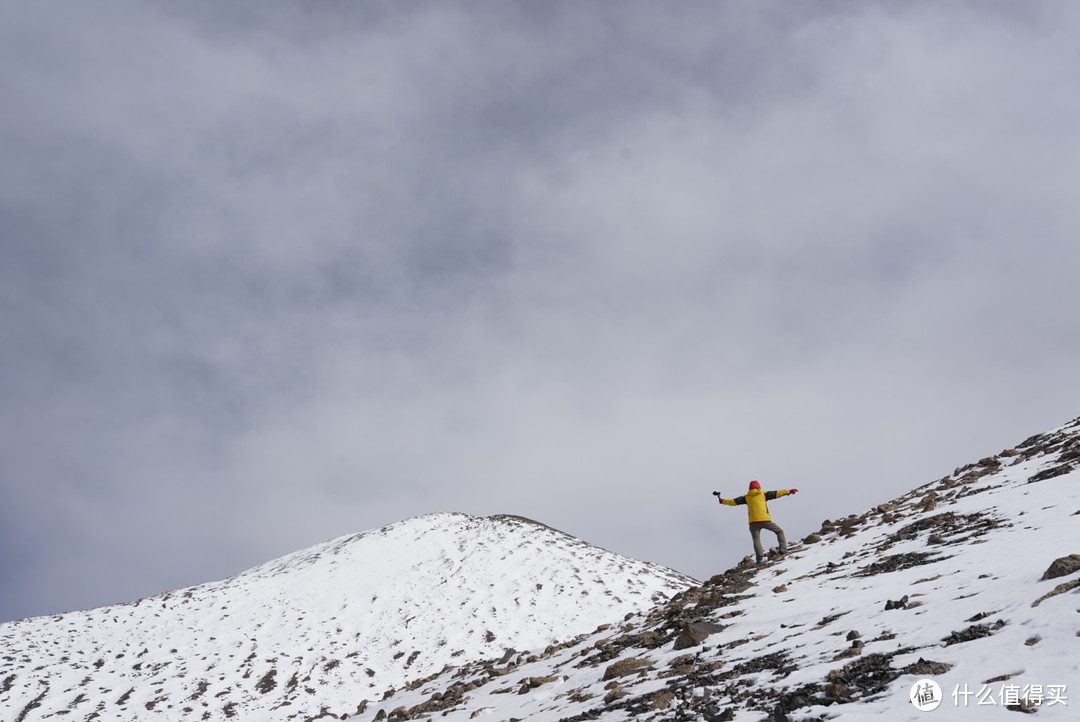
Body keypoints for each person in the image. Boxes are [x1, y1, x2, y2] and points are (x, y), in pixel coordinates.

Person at [714, 481, 799, 564]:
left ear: (749, 488)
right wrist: (789, 491)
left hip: (753, 522)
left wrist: (722, 501)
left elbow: (733, 502)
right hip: (765, 520)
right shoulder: (764, 494)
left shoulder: (746, 497)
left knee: (756, 540)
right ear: (759, 487)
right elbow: (778, 493)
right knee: (779, 531)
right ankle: (783, 548)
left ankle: (759, 559)